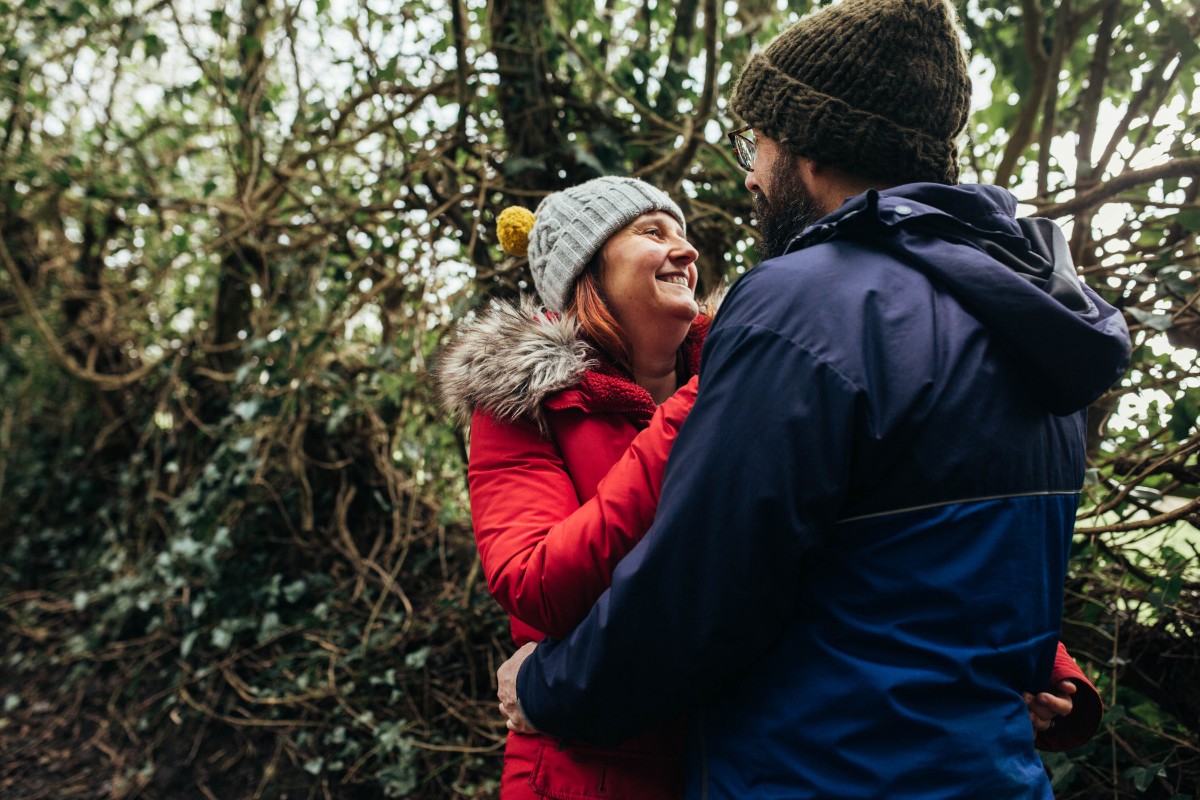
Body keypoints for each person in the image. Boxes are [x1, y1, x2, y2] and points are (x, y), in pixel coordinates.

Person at [495, 1, 1131, 798]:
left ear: (812, 150)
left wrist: (548, 687)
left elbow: (702, 593)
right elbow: (938, 570)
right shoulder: (1032, 317)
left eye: (757, 144)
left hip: (819, 771)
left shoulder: (805, 307)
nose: (753, 175)